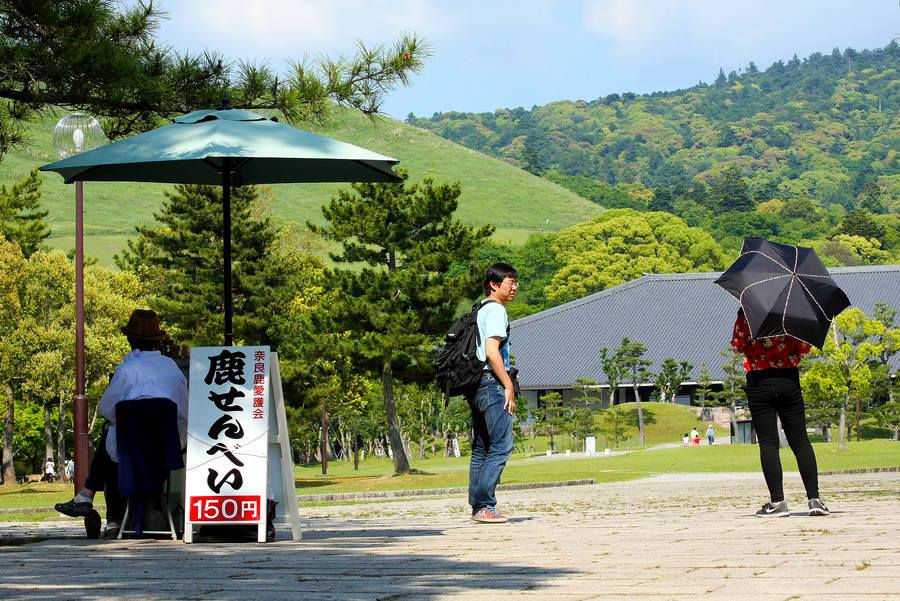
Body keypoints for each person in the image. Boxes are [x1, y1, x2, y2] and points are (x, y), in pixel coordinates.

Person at [55, 309, 188, 536]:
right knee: (118, 438)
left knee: (111, 435)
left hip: (132, 450)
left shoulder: (127, 370)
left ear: (130, 339)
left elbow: (108, 409)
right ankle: (90, 501)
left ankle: (107, 513)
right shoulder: (172, 368)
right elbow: (184, 407)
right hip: (169, 447)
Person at [731, 307, 829, 517]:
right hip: (787, 378)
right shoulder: (791, 312)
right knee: (800, 440)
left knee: (768, 443)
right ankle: (814, 499)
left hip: (759, 380)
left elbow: (738, 346)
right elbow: (804, 348)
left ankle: (778, 502)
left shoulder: (747, 313)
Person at [468, 263, 518, 524]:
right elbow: (491, 351)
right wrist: (508, 384)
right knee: (502, 445)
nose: (514, 288)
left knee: (482, 448)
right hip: (491, 383)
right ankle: (485, 504)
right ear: (494, 285)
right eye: (510, 283)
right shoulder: (497, 310)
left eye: (515, 282)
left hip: (476, 384)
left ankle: (478, 506)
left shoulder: (481, 309)